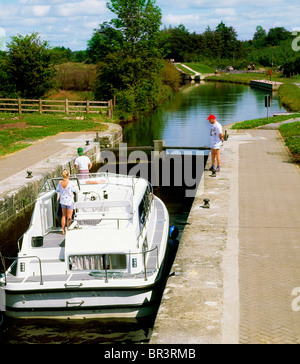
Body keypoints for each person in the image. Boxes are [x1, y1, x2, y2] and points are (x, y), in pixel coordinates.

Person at [56, 169, 79, 235]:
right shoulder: (71, 183)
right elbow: (77, 190)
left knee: (63, 216)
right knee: (69, 216)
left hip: (63, 201)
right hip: (69, 201)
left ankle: (63, 231)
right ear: (68, 175)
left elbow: (57, 190)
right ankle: (69, 229)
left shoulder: (60, 182)